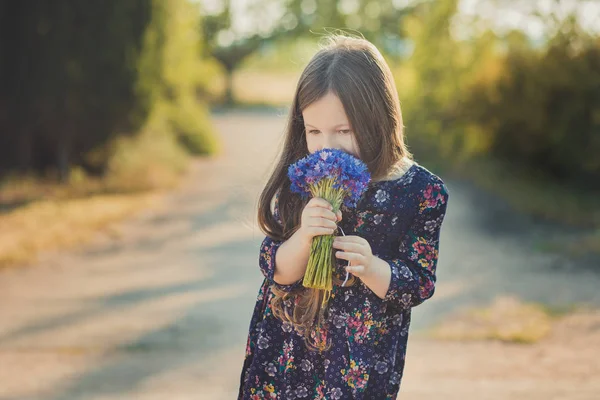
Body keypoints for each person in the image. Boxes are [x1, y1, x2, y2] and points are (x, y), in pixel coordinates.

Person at [238, 34, 450, 400]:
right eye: (314, 131)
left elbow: (418, 282)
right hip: (286, 351)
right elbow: (277, 271)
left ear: (378, 120)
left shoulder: (420, 191)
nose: (327, 146)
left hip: (356, 363)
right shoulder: (301, 179)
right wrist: (304, 236)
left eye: (343, 131)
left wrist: (371, 267)